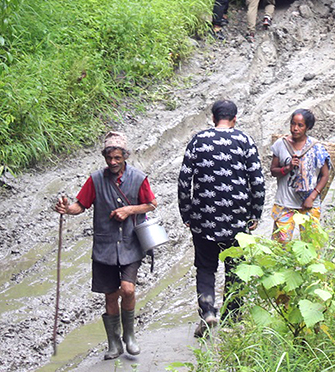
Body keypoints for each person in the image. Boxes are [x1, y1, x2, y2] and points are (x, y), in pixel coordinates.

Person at [53, 132, 157, 360]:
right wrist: (66, 208)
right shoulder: (95, 180)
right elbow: (80, 205)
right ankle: (114, 343)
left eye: (117, 158)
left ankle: (130, 336)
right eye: (109, 158)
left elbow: (151, 204)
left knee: (128, 289)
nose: (113, 162)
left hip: (131, 244)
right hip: (105, 246)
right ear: (105, 157)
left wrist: (129, 210)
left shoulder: (139, 178)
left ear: (125, 156)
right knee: (110, 295)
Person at [177, 100, 265, 337]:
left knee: (205, 267)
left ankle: (208, 312)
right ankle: (233, 319)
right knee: (235, 268)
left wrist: (186, 212)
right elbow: (257, 180)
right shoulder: (244, 141)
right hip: (237, 221)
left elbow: (185, 181)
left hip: (203, 219)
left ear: (213, 118)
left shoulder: (197, 141)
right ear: (234, 118)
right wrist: (255, 212)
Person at [269, 109, 332, 243]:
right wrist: (287, 168)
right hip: (285, 203)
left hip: (309, 204)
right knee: (280, 246)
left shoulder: (316, 148)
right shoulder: (281, 144)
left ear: (308, 127)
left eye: (300, 125)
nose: (295, 128)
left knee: (311, 246)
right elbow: (273, 171)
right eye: (293, 124)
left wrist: (312, 196)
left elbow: (325, 175)